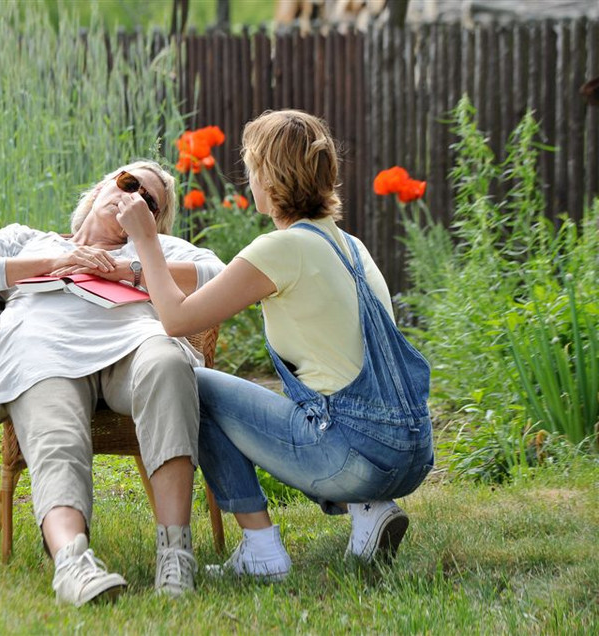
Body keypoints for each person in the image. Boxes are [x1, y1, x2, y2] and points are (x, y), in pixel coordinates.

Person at [117, 110, 434, 580]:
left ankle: (262, 549)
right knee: (319, 401)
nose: (248, 180)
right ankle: (369, 511)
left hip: (356, 455)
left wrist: (145, 240)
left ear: (269, 176)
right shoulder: (350, 245)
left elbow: (177, 320)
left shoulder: (279, 250)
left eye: (250, 167)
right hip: (410, 450)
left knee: (191, 382)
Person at [0, 161, 226, 605]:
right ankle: (72, 563)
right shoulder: (26, 240)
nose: (134, 199)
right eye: (129, 183)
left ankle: (175, 554)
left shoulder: (156, 246)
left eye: (149, 202)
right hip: (44, 350)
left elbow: (219, 276)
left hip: (133, 344)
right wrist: (58, 261)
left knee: (168, 364)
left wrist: (132, 266)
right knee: (56, 433)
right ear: (103, 186)